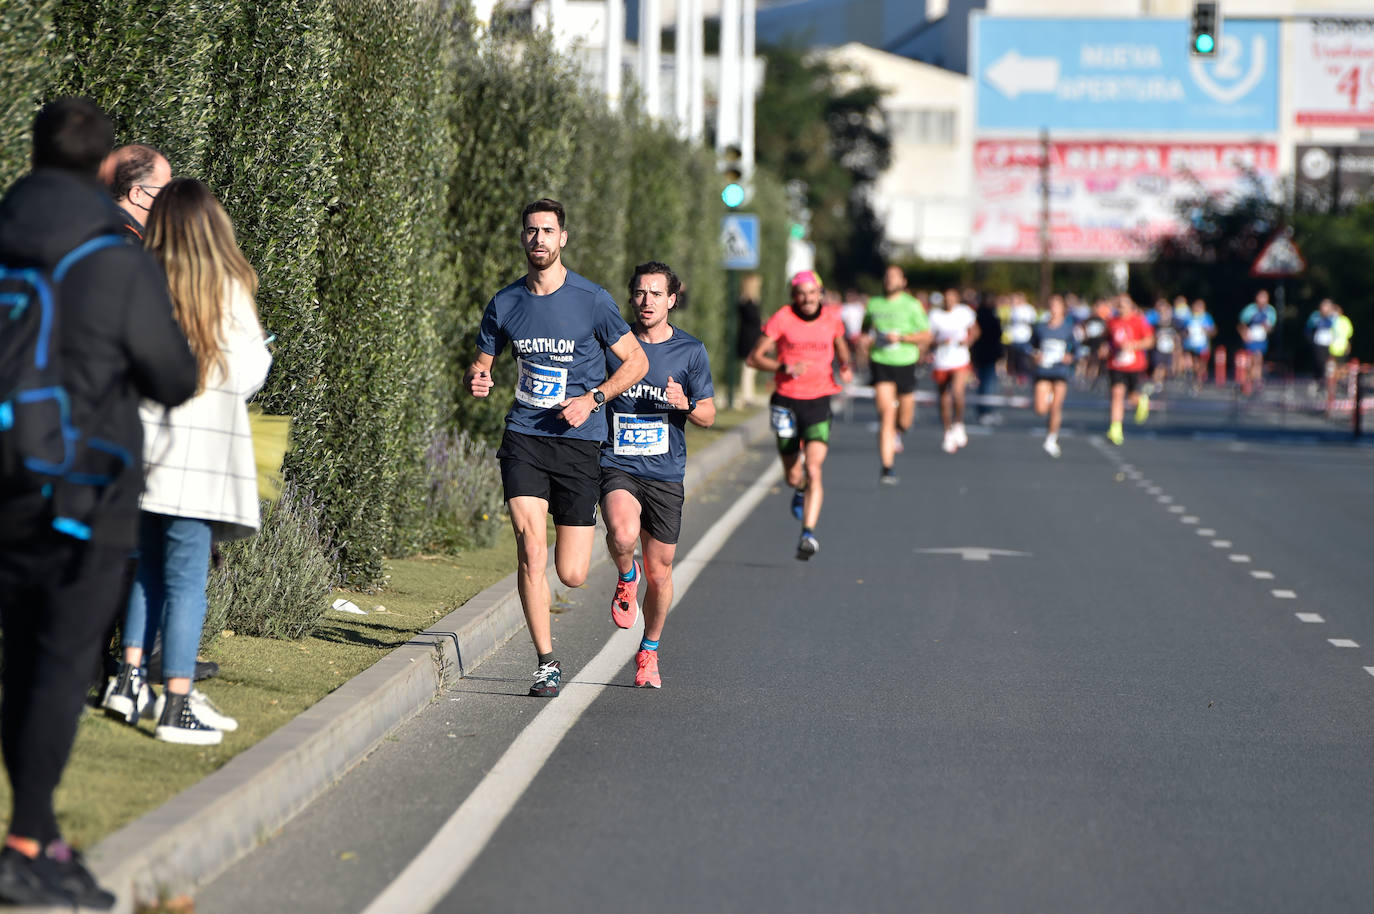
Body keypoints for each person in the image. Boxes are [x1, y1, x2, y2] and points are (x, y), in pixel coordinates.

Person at [0, 98, 197, 908]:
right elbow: (172, 375)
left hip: (5, 474)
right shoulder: (112, 252)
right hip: (84, 489)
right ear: (105, 165)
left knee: (19, 660)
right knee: (59, 665)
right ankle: (25, 844)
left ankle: (40, 837)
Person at [101, 179, 271, 744]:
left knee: (148, 570)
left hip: (143, 452)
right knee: (187, 582)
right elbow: (247, 375)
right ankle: (176, 701)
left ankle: (127, 680)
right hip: (201, 459)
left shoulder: (138, 281)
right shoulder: (228, 288)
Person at [464, 199, 647, 698]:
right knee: (529, 546)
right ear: (522, 238)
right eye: (530, 231)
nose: (538, 239)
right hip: (524, 436)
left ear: (563, 237)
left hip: (579, 442)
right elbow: (481, 364)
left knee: (572, 573)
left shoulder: (593, 300)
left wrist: (593, 399)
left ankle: (627, 570)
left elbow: (635, 364)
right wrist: (478, 379)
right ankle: (546, 662)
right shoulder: (504, 303)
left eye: (547, 231)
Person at [600, 262, 715, 689]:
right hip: (619, 464)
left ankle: (648, 651)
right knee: (623, 534)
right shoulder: (614, 344)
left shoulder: (690, 351)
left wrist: (685, 403)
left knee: (661, 573)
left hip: (665, 473)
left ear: (672, 300)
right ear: (632, 298)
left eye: (656, 294)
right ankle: (625, 578)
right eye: (640, 293)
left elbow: (708, 414)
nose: (647, 301)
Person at [747, 270, 852, 560]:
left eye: (812, 292)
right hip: (786, 402)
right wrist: (783, 368)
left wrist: (845, 365)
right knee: (794, 475)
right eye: (801, 293)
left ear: (820, 292)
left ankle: (807, 534)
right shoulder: (783, 318)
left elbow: (842, 346)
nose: (807, 298)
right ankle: (799, 487)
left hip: (818, 401)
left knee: (815, 468)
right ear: (795, 296)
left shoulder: (832, 318)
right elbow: (754, 357)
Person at [864, 265, 930, 483]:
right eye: (886, 277)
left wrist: (902, 338)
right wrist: (865, 341)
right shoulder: (874, 304)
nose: (889, 281)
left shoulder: (912, 305)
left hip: (905, 362)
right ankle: (887, 467)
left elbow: (926, 335)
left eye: (894, 277)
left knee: (905, 420)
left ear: (903, 281)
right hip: (881, 362)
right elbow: (865, 331)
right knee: (886, 415)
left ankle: (899, 431)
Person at [928, 288, 980, 454]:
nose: (949, 301)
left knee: (958, 392)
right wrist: (938, 342)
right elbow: (929, 337)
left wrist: (968, 340)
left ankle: (958, 423)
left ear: (957, 299)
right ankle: (947, 430)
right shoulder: (935, 315)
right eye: (946, 298)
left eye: (952, 298)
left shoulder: (965, 313)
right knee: (944, 397)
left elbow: (976, 331)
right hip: (942, 360)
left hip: (960, 358)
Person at [1030, 294, 1077, 458]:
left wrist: (1070, 357)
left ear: (1063, 309)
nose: (1053, 308)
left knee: (1057, 407)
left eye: (1057, 305)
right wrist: (1034, 355)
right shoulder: (1040, 327)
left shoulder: (1068, 328)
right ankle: (1047, 400)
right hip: (1043, 370)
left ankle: (1051, 438)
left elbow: (1077, 350)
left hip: (1060, 372)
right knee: (1040, 409)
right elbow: (1031, 346)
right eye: (1051, 305)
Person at [1105, 294, 1154, 446]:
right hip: (1116, 364)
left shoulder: (1139, 321)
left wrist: (1134, 345)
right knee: (1117, 393)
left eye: (1124, 305)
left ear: (1131, 306)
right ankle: (1116, 427)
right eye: (1118, 305)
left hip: (1134, 365)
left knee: (1132, 396)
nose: (1120, 308)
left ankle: (1141, 400)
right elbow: (1107, 340)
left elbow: (1150, 341)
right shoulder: (1112, 322)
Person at [98, 144, 171, 240]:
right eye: (165, 190)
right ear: (137, 194)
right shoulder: (129, 245)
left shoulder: (86, 224)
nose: (170, 196)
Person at [970, 292, 1004, 425]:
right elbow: (997, 334)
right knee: (988, 383)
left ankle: (983, 410)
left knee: (984, 382)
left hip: (982, 353)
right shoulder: (988, 316)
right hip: (987, 354)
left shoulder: (979, 315)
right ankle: (986, 411)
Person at [1237, 289, 1276, 390]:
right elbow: (1241, 324)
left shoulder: (1270, 311)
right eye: (1261, 297)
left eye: (1265, 297)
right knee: (1250, 361)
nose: (1262, 299)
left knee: (1258, 359)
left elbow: (1271, 328)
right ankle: (1248, 380)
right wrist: (1244, 334)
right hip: (1250, 339)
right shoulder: (1250, 310)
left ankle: (1257, 380)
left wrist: (1267, 327)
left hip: (1261, 339)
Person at [1181, 298, 1215, 392]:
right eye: (1197, 305)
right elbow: (1183, 331)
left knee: (1201, 365)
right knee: (1192, 364)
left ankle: (1199, 382)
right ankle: (1191, 378)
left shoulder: (1206, 317)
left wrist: (1207, 330)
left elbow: (1213, 331)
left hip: (1202, 345)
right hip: (1190, 345)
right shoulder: (1189, 317)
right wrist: (1187, 333)